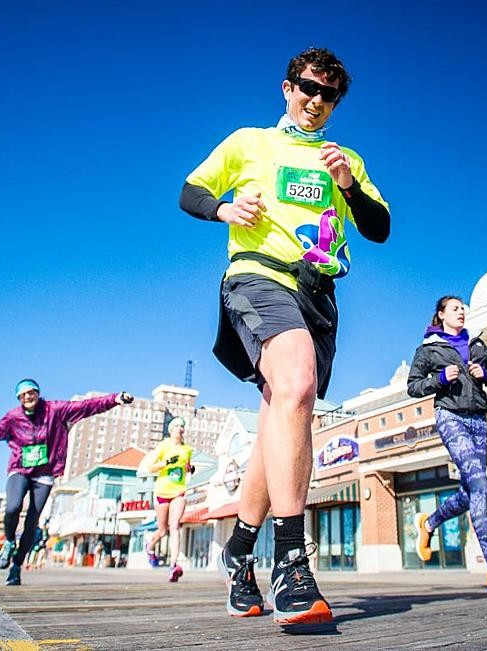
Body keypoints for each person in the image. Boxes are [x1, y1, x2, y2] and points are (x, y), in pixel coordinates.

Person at [179, 47, 390, 624]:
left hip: (318, 294)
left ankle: (239, 550)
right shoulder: (249, 142)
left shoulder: (345, 159)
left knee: (281, 415)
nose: (316, 100)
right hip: (257, 276)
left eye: (329, 94)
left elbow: (379, 228)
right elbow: (190, 192)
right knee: (296, 383)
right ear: (287, 87)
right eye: (308, 87)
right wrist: (225, 210)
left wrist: (349, 186)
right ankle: (292, 561)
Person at [0, 379, 134, 585]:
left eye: (31, 393)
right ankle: (10, 542)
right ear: (19, 398)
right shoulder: (13, 418)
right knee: (13, 507)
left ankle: (16, 567)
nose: (28, 397)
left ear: (38, 394)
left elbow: (85, 407)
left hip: (45, 474)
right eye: (23, 395)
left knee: (32, 521)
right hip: (20, 469)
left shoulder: (54, 410)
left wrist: (115, 399)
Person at [406, 296, 487, 595]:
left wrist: (484, 374)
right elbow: (413, 386)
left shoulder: (477, 345)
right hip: (450, 416)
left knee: (469, 492)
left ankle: (429, 523)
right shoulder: (429, 349)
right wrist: (439, 379)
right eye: (455, 308)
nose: (461, 312)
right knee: (481, 484)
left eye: (463, 309)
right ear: (441, 314)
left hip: (478, 419)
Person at [144, 417, 194, 582]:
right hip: (162, 491)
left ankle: (173, 565)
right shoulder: (164, 446)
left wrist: (190, 469)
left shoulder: (187, 449)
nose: (180, 428)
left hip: (178, 491)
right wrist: (166, 462)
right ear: (171, 430)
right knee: (162, 530)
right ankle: (150, 547)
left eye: (182, 426)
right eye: (177, 426)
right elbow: (150, 468)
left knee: (175, 526)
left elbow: (187, 467)